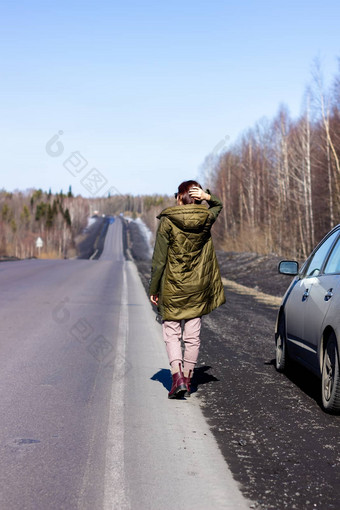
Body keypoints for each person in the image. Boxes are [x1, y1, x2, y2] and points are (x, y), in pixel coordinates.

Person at [149, 180, 225, 399]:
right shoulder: (205, 218)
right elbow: (218, 206)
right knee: (192, 336)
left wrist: (154, 288)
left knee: (172, 333)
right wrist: (207, 197)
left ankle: (177, 377)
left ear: (179, 197)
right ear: (197, 197)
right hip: (198, 286)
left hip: (172, 286)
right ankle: (188, 379)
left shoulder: (168, 220)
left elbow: (159, 260)